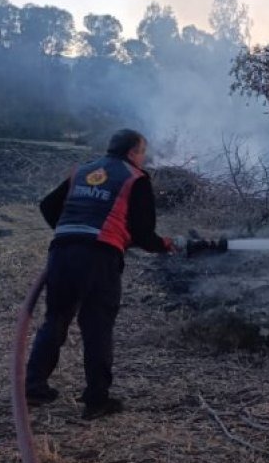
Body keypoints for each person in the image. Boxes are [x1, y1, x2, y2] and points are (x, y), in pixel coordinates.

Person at [24, 129, 176, 419]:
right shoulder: (135, 178)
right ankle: (97, 400)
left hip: (62, 251)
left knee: (55, 319)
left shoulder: (83, 171)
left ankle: (33, 387)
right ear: (133, 153)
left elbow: (47, 206)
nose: (144, 158)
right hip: (99, 257)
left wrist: (72, 228)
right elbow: (144, 235)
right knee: (97, 326)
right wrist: (163, 245)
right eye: (143, 152)